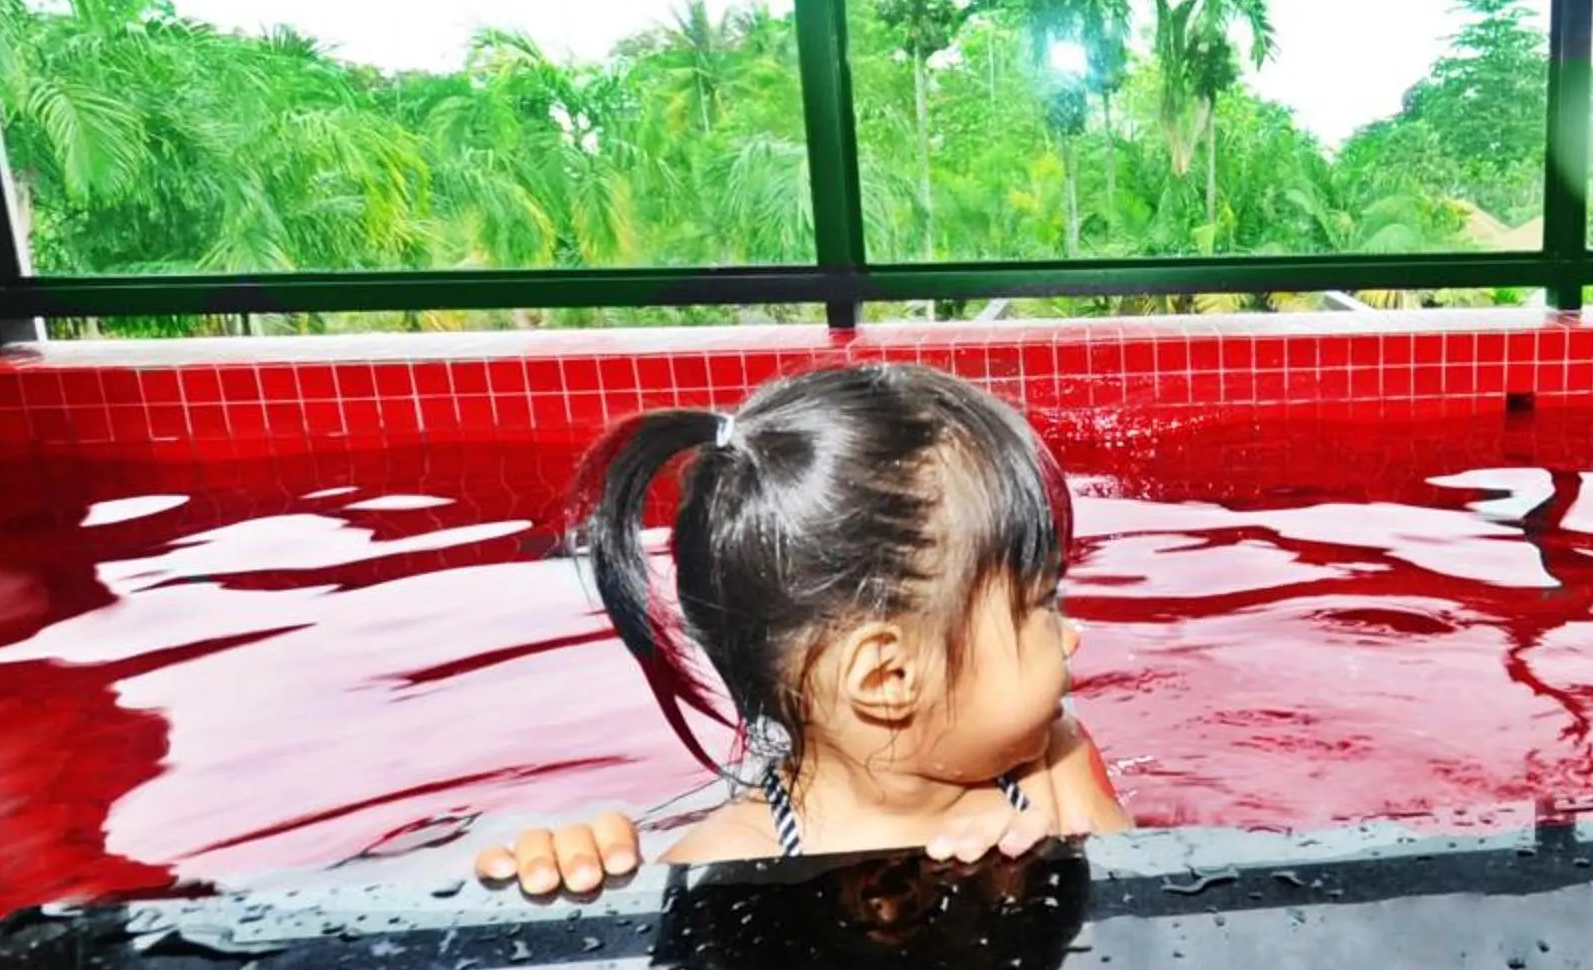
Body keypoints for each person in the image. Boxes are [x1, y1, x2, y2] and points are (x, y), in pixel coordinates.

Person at [476, 363, 1129, 898]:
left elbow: (1142, 926)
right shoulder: (725, 867)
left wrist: (1057, 864)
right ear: (888, 676)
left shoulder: (1058, 771)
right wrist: (584, 880)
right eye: (1040, 603)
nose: (1071, 636)